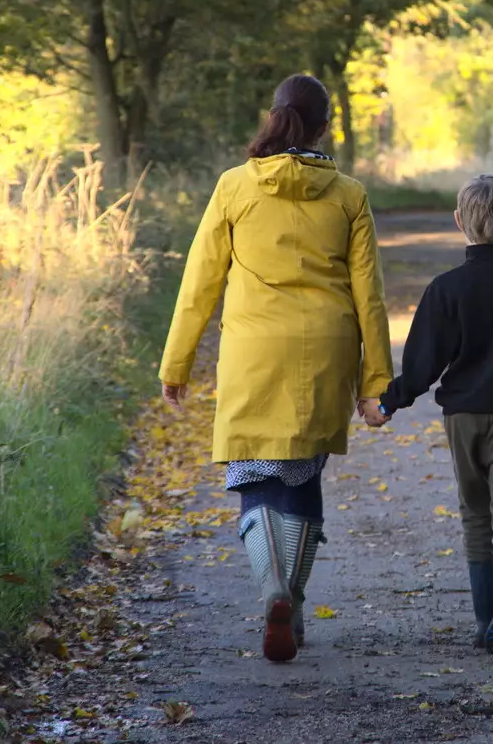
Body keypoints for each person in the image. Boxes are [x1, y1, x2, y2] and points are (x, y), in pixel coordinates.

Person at [159, 74, 393, 664]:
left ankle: (271, 590)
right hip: (323, 353)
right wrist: (376, 385)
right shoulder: (348, 195)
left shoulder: (235, 186)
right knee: (302, 479)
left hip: (252, 354)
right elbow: (370, 296)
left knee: (257, 477)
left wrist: (177, 361)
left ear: (273, 118)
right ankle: (294, 597)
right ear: (322, 128)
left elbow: (200, 281)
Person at [366, 174, 493, 656]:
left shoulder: (446, 289)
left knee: (475, 512)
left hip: (463, 417)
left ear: (458, 222)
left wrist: (389, 402)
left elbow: (423, 363)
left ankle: (482, 620)